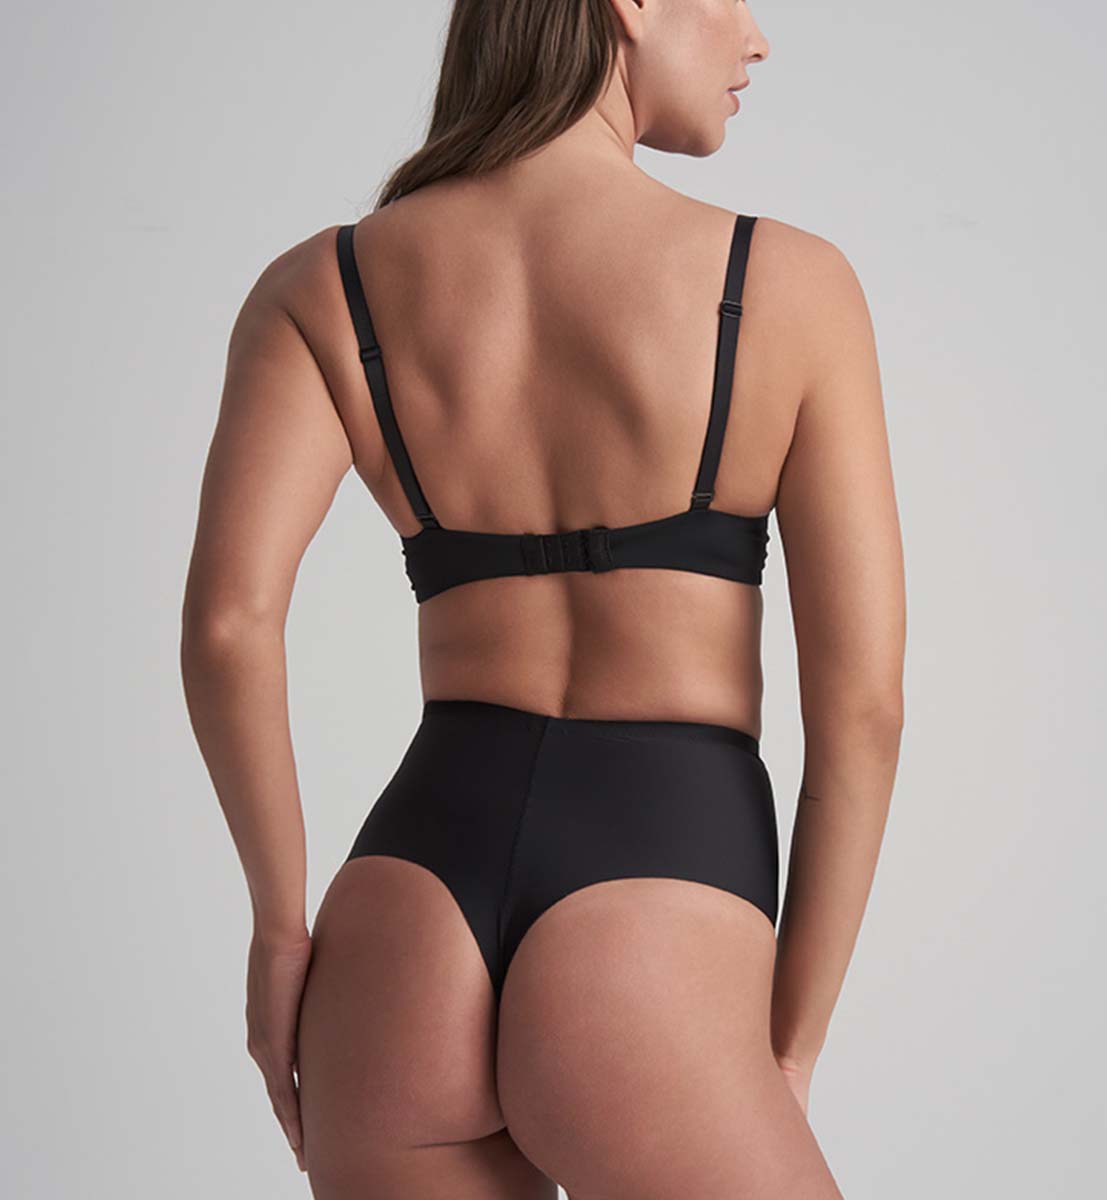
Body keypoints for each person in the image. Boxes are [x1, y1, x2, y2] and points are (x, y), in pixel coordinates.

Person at [181, 1, 905, 1195]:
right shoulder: (787, 284)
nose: (756, 36)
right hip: (656, 903)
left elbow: (228, 628)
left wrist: (278, 928)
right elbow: (863, 712)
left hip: (404, 921)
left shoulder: (324, 286)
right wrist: (787, 1050)